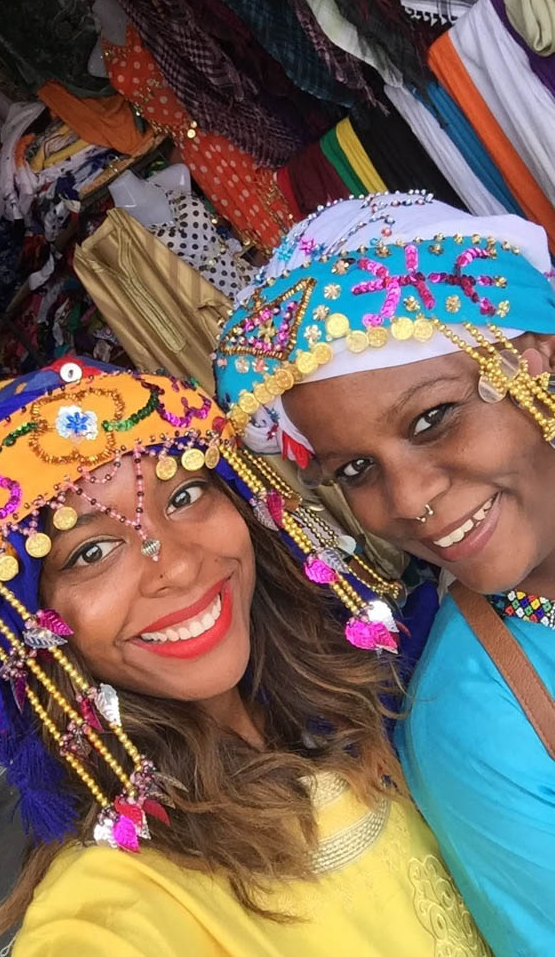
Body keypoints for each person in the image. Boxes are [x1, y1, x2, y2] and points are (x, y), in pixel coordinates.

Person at [0, 356, 489, 956]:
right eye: (91, 553)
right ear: (33, 629)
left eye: (186, 494)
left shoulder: (358, 692)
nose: (177, 565)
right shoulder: (115, 898)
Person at [214, 191, 555, 957]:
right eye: (357, 470)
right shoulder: (476, 725)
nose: (408, 500)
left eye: (432, 418)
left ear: (534, 354)